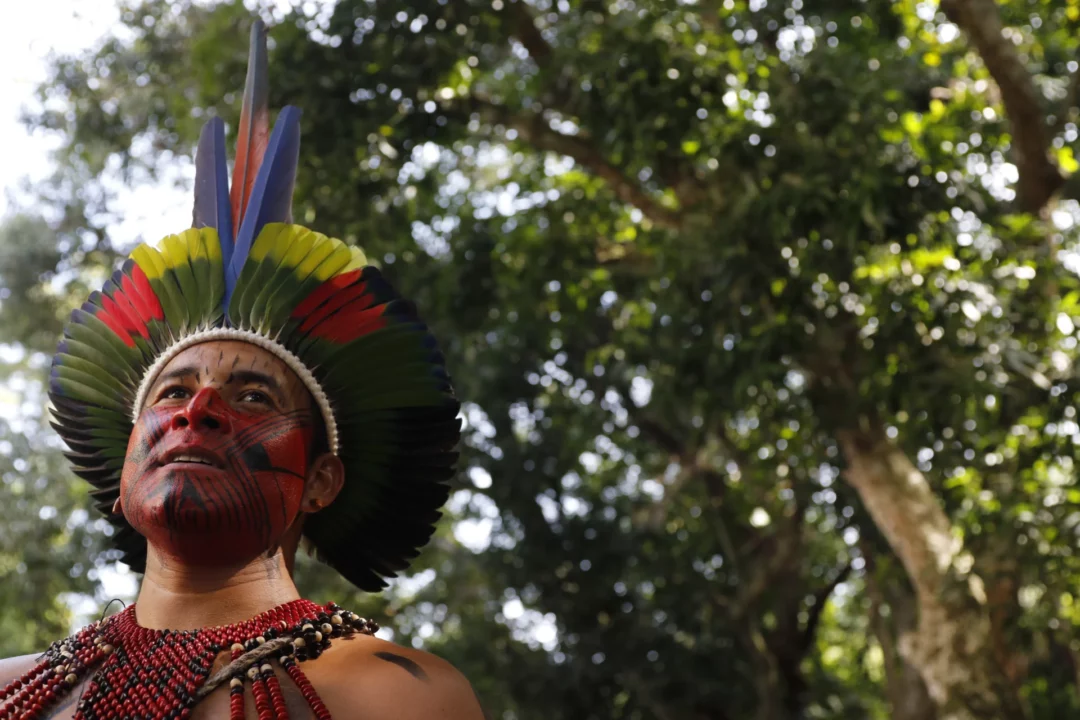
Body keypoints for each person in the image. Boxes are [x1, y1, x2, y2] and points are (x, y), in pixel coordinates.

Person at [0, 19, 485, 720]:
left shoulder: (389, 693)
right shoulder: (13, 690)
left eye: (253, 396)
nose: (196, 411)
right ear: (125, 467)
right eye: (172, 392)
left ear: (321, 480)